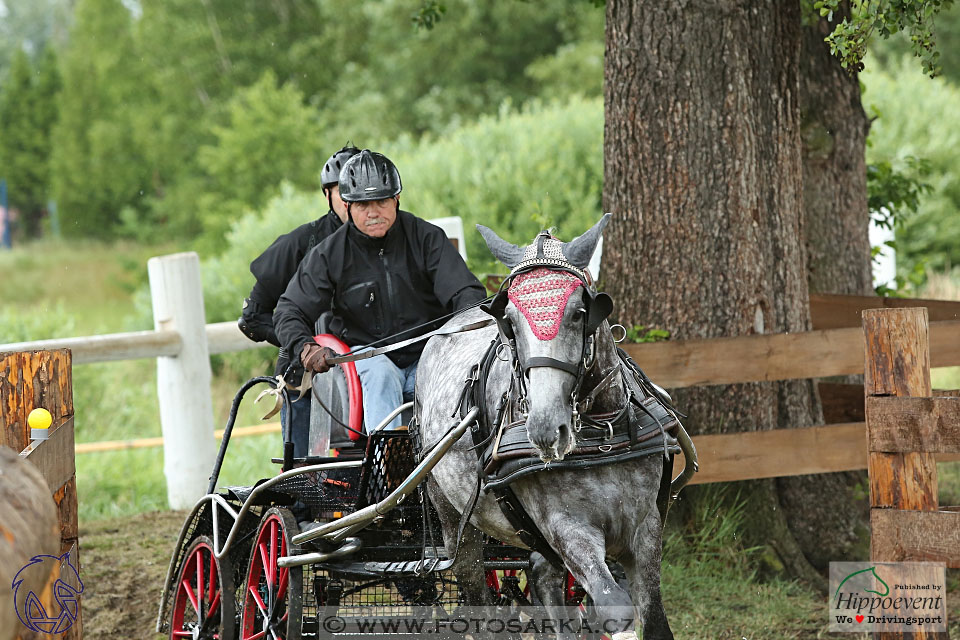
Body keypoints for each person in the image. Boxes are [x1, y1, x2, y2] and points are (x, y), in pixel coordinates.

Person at [274, 149, 486, 433]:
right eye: (363, 205)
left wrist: (464, 336)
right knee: (381, 372)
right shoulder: (329, 254)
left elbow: (467, 293)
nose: (373, 212)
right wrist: (306, 348)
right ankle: (387, 466)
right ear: (347, 206)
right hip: (368, 363)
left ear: (396, 199)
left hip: (430, 355)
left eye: (382, 201)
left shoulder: (427, 238)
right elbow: (289, 310)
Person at [238, 145, 360, 456]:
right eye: (342, 190)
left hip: (364, 376)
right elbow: (252, 318)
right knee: (307, 479)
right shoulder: (300, 243)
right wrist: (304, 344)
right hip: (304, 381)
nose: (351, 198)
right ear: (327, 194)